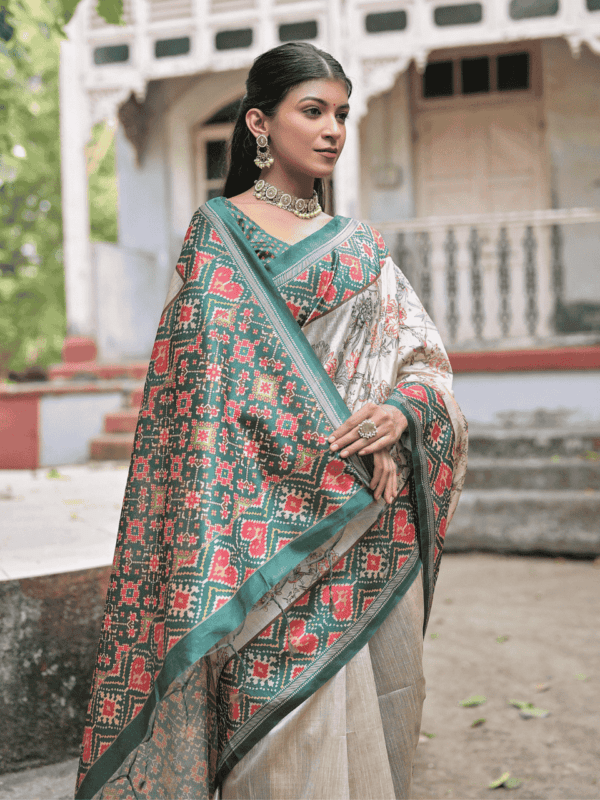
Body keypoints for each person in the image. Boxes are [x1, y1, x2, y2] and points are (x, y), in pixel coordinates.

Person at [75, 42, 467, 800]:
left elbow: (424, 364)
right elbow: (199, 392)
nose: (332, 130)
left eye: (342, 115)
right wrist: (342, 455)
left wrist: (397, 419)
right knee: (276, 748)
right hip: (256, 548)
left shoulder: (362, 253)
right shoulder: (218, 235)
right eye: (312, 111)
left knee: (356, 729)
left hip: (356, 534)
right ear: (260, 122)